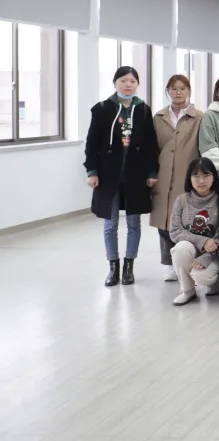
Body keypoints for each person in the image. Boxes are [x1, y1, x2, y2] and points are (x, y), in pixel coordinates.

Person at [85, 66, 159, 287]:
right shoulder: (102, 109)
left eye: (132, 81)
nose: (128, 85)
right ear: (115, 82)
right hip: (108, 175)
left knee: (134, 223)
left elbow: (150, 144)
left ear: (137, 84)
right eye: (123, 80)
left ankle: (129, 267)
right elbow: (91, 143)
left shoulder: (143, 109)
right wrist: (92, 171)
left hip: (135, 175)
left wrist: (152, 172)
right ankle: (113, 267)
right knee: (110, 224)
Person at [150, 74, 202, 283]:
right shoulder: (159, 117)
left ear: (189, 91)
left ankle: (189, 261)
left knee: (186, 220)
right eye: (174, 88)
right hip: (163, 175)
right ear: (167, 91)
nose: (178, 92)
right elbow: (152, 147)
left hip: (187, 174)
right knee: (164, 220)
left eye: (183, 88)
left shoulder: (199, 117)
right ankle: (169, 264)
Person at [168, 157, 219, 305]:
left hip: (216, 253)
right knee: (180, 248)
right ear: (189, 178)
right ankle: (187, 290)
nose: (201, 181)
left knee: (202, 276)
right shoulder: (181, 200)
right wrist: (203, 241)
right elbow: (175, 231)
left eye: (206, 175)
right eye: (196, 176)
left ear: (214, 176)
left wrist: (207, 256)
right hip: (192, 249)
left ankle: (213, 283)